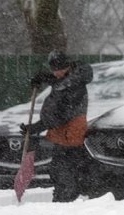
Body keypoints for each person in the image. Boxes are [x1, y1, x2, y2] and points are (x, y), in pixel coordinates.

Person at [20, 50, 93, 202]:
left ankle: (65, 201)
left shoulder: (73, 85)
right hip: (64, 135)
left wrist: (36, 128)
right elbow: (61, 81)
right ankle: (64, 198)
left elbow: (59, 115)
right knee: (59, 170)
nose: (56, 73)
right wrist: (44, 77)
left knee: (64, 171)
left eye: (59, 69)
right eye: (53, 70)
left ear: (67, 66)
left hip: (71, 134)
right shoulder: (69, 78)